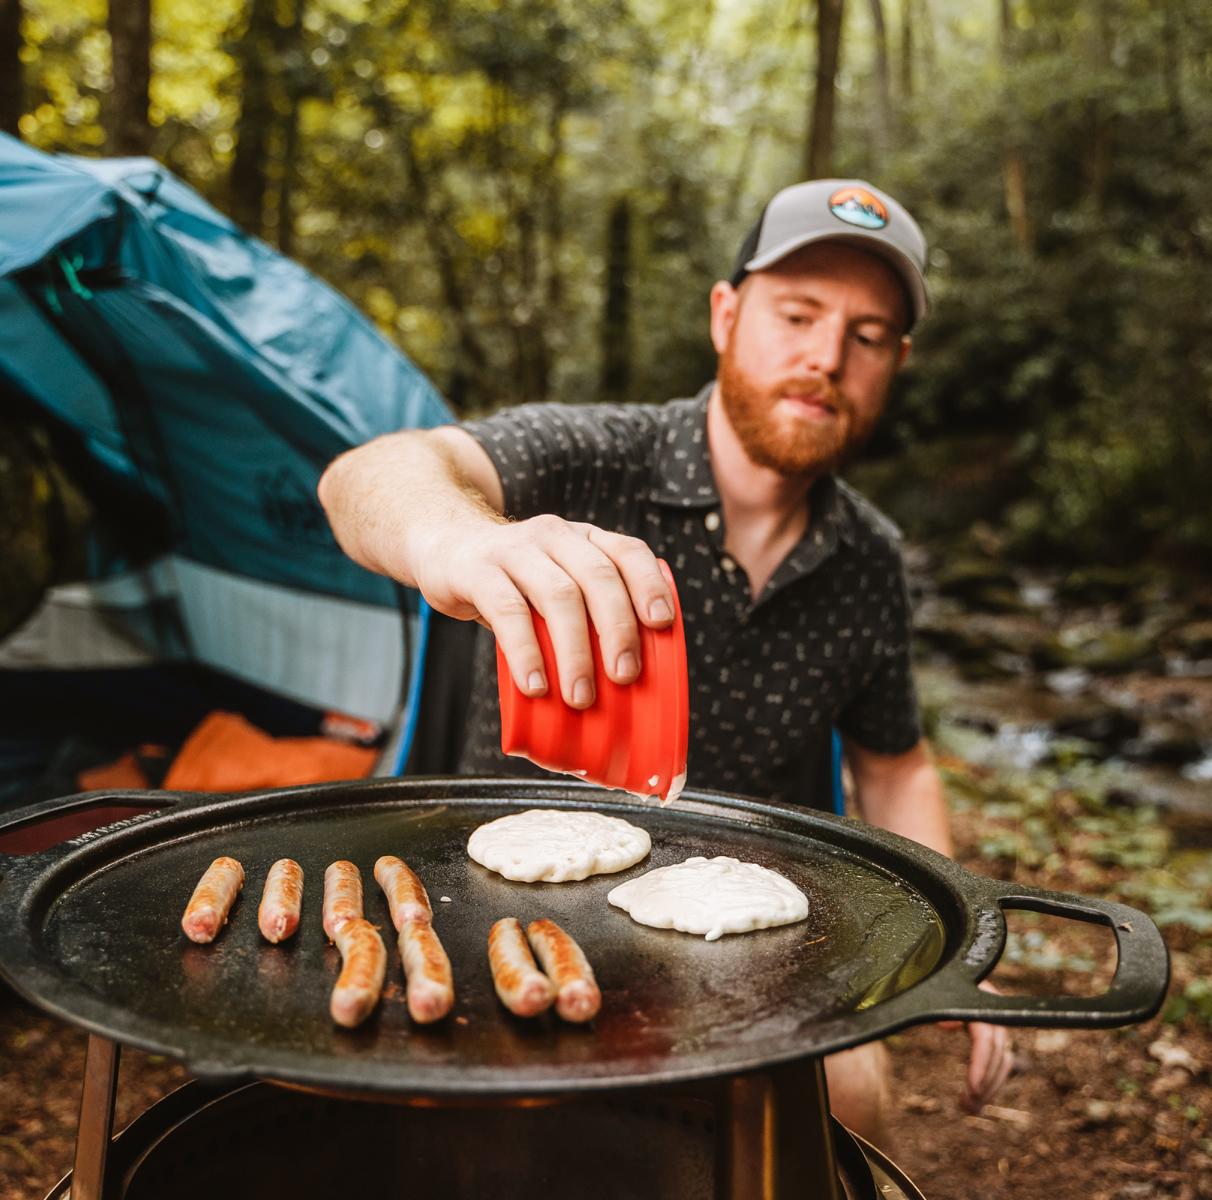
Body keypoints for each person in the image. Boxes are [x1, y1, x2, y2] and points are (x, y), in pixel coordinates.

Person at [317, 178, 1012, 1141]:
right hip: (499, 914)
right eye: (799, 314)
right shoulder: (590, 460)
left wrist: (961, 933)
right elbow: (369, 475)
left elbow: (896, 767)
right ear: (726, 317)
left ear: (896, 360)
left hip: (749, 942)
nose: (824, 357)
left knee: (851, 1098)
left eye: (868, 335)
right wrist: (457, 542)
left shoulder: (870, 562)